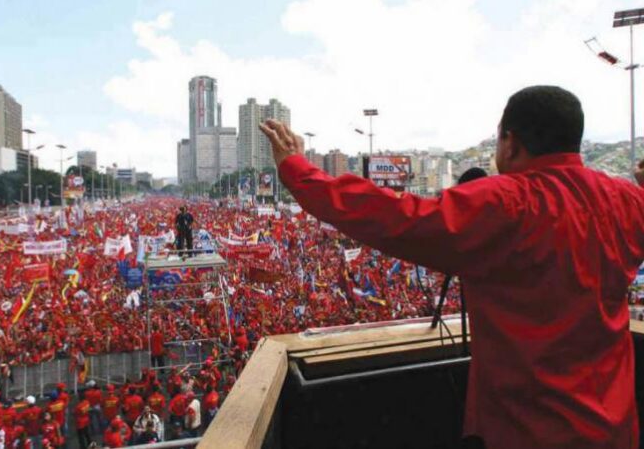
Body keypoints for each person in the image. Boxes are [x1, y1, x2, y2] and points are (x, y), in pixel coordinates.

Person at [259, 85, 644, 449]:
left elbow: (392, 216)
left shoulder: (505, 203)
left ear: (511, 142)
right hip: (616, 427)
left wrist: (298, 170)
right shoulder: (627, 200)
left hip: (529, 429)